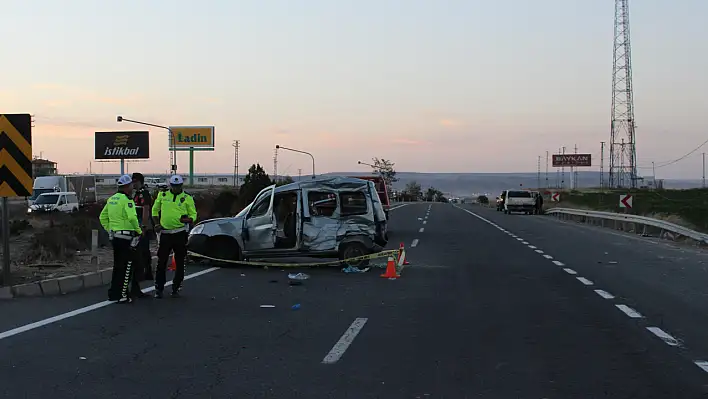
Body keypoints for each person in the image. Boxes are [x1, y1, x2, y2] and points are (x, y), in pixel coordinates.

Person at [99, 174, 144, 303]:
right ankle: (123, 294)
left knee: (118, 266)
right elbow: (131, 218)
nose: (132, 188)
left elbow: (102, 217)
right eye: (131, 185)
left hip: (116, 237)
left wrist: (110, 230)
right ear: (126, 186)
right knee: (127, 267)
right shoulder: (127, 200)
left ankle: (114, 293)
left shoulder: (112, 199)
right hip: (126, 237)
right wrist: (139, 231)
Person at [151, 174, 197, 298]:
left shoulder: (187, 198)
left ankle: (176, 287)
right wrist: (156, 223)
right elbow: (154, 210)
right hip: (165, 234)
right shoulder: (163, 195)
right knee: (162, 261)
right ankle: (159, 288)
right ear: (170, 185)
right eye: (173, 186)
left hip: (180, 233)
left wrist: (188, 220)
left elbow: (193, 214)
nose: (175, 188)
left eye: (178, 186)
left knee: (180, 261)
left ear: (181, 185)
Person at [131, 173, 154, 281]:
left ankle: (147, 272)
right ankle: (142, 271)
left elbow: (146, 209)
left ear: (139, 181)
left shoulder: (144, 193)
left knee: (144, 250)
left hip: (143, 225)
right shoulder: (136, 194)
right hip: (137, 225)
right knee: (139, 250)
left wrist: (143, 226)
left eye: (134, 181)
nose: (133, 184)